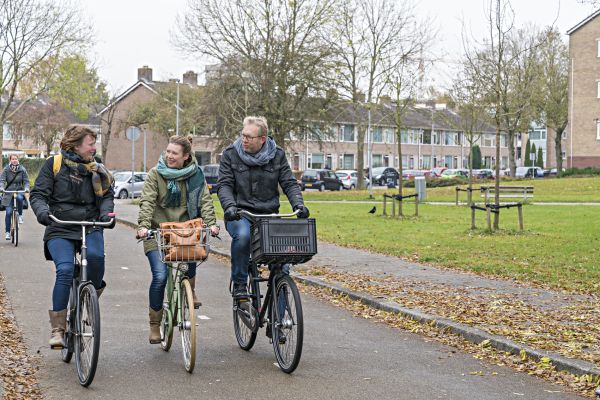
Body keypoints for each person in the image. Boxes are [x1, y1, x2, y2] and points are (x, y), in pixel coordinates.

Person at [30, 126, 115, 349]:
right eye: (90, 144)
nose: (94, 148)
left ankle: (89, 300)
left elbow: (107, 196)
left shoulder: (98, 170)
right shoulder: (54, 164)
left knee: (96, 258)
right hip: (60, 225)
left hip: (90, 224)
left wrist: (106, 214)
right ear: (76, 146)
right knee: (65, 270)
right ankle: (58, 329)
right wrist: (42, 212)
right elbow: (38, 194)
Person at [136, 135, 219, 344]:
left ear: (186, 157)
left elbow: (205, 201)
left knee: (192, 257)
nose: (169, 156)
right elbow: (147, 201)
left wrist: (212, 223)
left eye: (174, 153)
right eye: (168, 151)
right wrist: (144, 226)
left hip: (184, 232)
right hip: (157, 233)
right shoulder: (155, 174)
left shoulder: (196, 175)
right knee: (160, 276)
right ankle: (155, 324)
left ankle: (189, 290)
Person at [217, 116, 309, 298]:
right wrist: (229, 206)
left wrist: (299, 204)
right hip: (240, 214)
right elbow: (224, 184)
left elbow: (289, 183)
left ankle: (280, 321)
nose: (244, 139)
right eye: (243, 135)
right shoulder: (230, 154)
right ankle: (240, 284)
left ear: (262, 139)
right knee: (242, 237)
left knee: (282, 263)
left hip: (270, 215)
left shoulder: (278, 155)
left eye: (249, 137)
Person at [0, 154, 30, 239]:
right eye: (13, 159)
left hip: (19, 190)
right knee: (8, 212)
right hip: (8, 192)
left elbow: (26, 181)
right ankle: (7, 232)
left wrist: (26, 188)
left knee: (20, 198)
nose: (14, 160)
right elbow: (2, 181)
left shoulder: (22, 169)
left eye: (16, 159)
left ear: (18, 160)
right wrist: (1, 188)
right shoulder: (6, 169)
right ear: (10, 160)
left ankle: (20, 215)